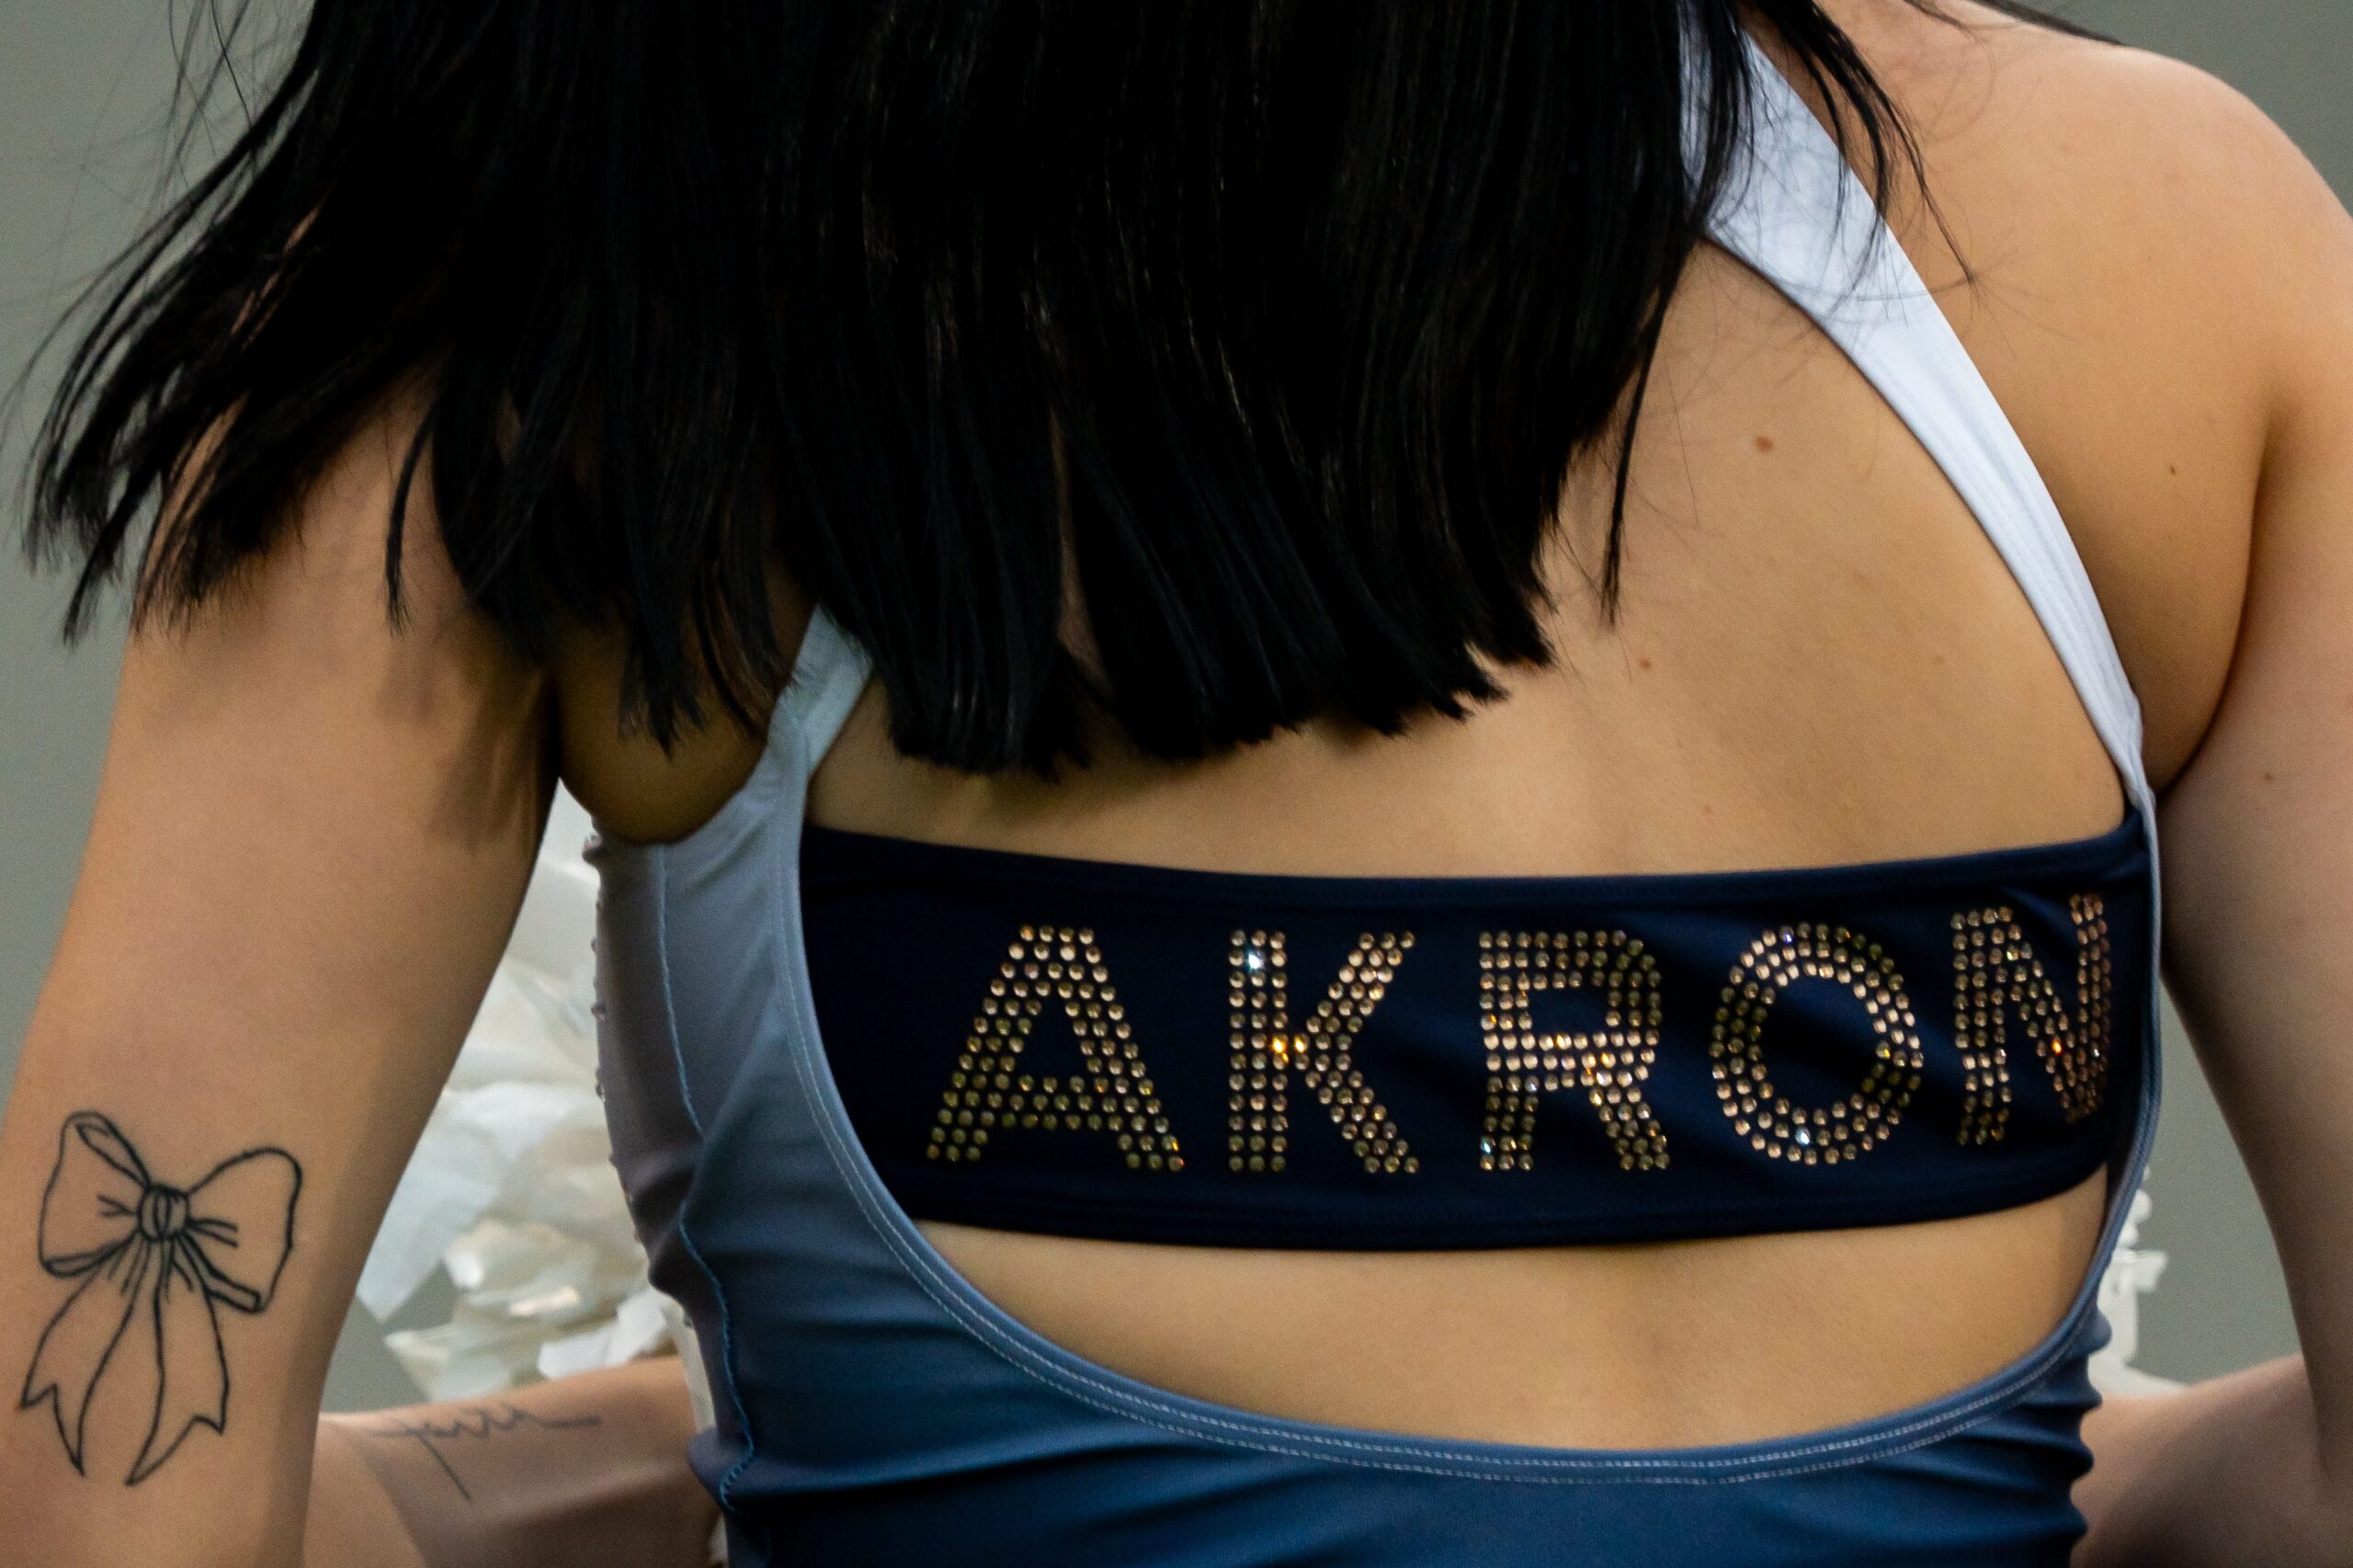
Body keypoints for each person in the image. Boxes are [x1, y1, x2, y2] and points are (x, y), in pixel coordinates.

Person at [4, 2, 2348, 1563]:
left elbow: (96, 1504)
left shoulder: (564, 291)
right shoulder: (2164, 257)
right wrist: (1968, 1466)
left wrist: (625, 1453)